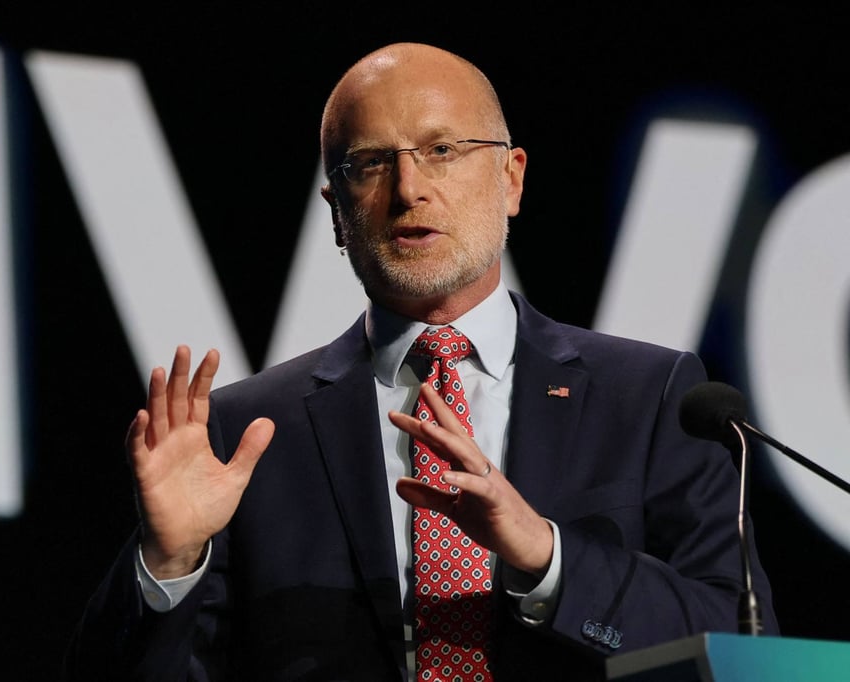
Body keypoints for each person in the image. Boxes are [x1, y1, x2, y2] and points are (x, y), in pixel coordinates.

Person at [66, 42, 777, 681]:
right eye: (371, 163)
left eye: (441, 150)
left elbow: (743, 648)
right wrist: (169, 568)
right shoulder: (247, 432)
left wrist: (545, 555)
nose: (410, 190)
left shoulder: (650, 398)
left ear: (511, 179)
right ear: (337, 214)